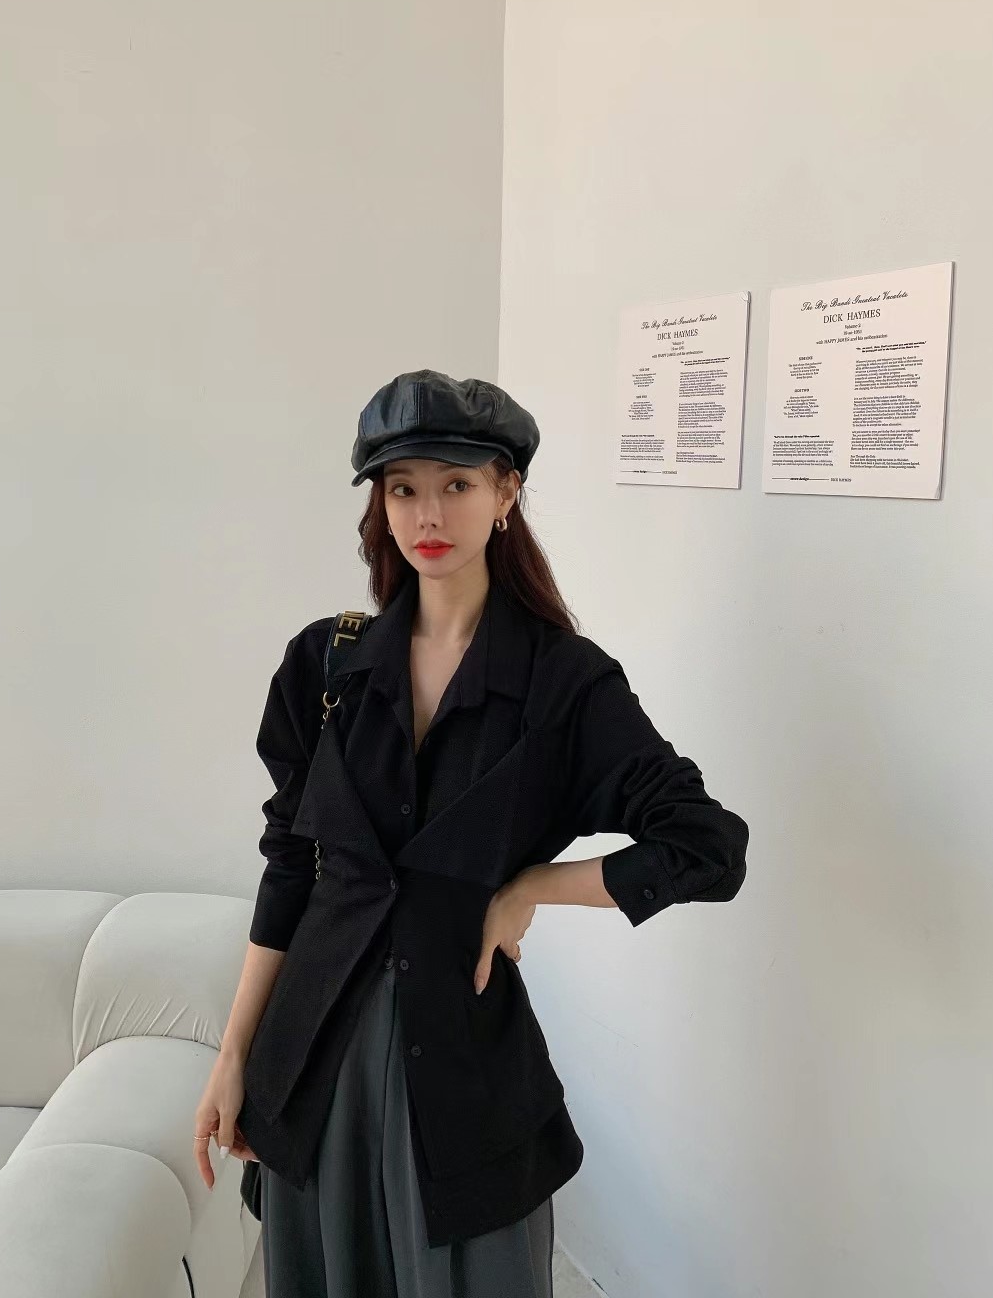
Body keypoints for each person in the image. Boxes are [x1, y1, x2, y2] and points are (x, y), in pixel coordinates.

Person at [193, 368, 749, 1297]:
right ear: (379, 504)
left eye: (457, 483)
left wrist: (532, 887)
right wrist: (234, 1054)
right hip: (312, 1067)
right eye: (403, 488)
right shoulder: (324, 666)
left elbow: (707, 847)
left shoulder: (563, 684)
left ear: (506, 493)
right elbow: (291, 867)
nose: (428, 514)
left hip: (462, 1085)